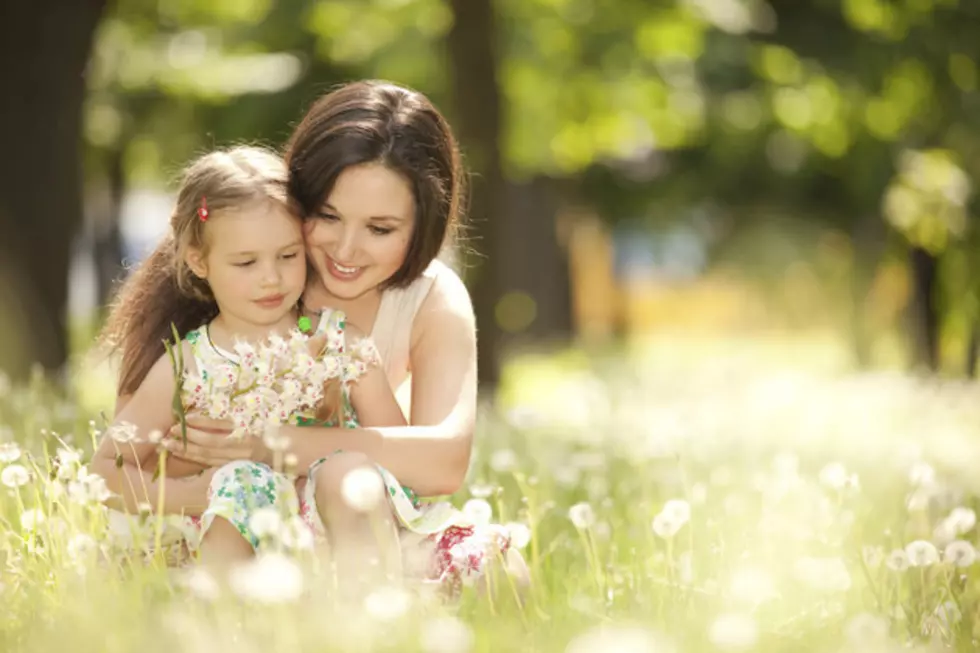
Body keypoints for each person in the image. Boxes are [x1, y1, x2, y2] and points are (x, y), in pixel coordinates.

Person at [158, 81, 527, 594]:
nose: (346, 250)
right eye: (327, 216)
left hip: (371, 518)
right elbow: (156, 448)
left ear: (424, 225)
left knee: (501, 575)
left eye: (380, 228)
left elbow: (443, 462)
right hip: (252, 526)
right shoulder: (248, 271)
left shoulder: (430, 298)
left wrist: (277, 445)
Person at [89, 145, 403, 573]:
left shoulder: (340, 345)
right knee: (244, 484)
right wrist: (200, 494)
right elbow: (107, 470)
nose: (271, 277)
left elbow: (402, 457)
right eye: (246, 262)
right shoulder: (188, 364)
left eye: (288, 256)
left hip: (330, 539)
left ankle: (359, 616)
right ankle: (221, 617)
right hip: (216, 542)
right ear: (199, 261)